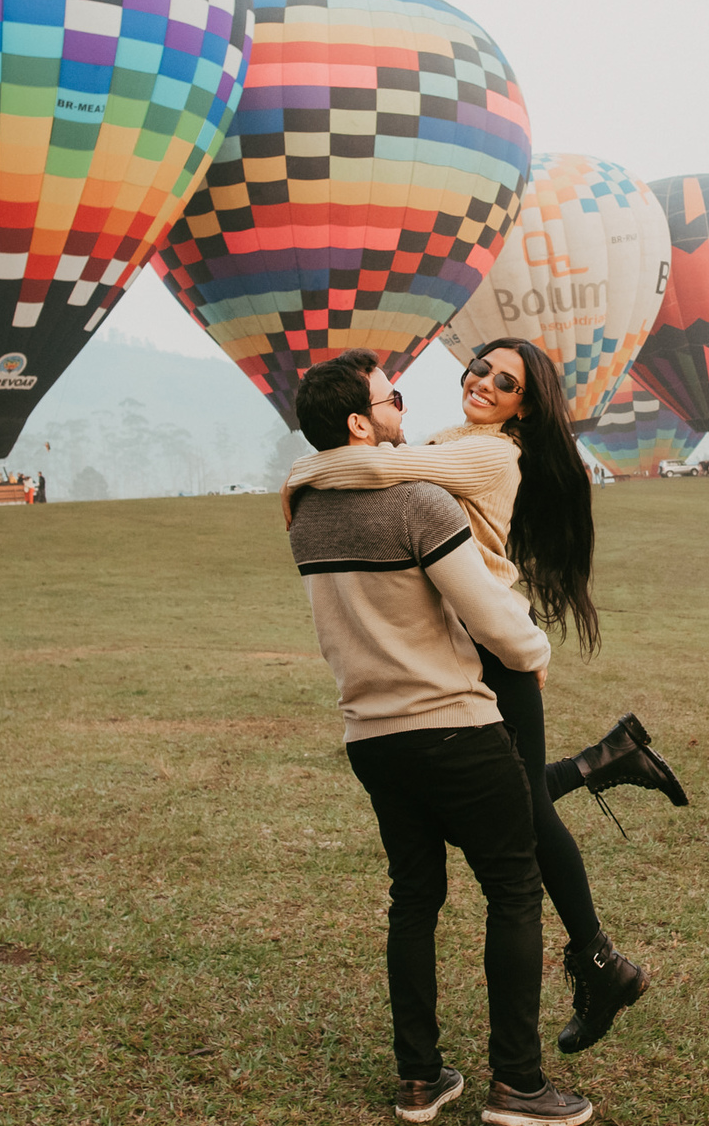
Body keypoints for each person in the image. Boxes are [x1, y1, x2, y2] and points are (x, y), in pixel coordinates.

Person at [284, 341, 688, 1055]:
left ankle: (600, 965)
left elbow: (378, 464)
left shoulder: (493, 455)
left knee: (524, 813)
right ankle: (607, 761)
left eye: (507, 383)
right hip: (455, 640)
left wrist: (297, 476)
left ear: (523, 406)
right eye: (481, 368)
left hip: (497, 638)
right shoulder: (443, 442)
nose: (485, 384)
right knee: (513, 798)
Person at [289, 351, 593, 1126]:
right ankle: (519, 1086)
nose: (403, 406)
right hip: (451, 721)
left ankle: (420, 1078)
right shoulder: (421, 501)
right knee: (514, 890)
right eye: (390, 399)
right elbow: (489, 615)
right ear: (361, 423)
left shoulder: (305, 510)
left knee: (414, 899)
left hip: (369, 733)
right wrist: (535, 655)